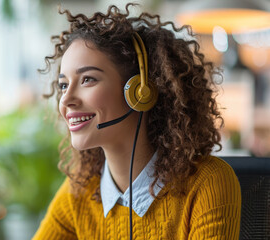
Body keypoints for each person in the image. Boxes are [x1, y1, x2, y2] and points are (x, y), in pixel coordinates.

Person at [33, 3, 241, 240]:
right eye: (63, 85)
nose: (66, 100)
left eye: (88, 79)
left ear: (140, 91)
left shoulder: (207, 184)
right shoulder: (80, 193)